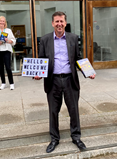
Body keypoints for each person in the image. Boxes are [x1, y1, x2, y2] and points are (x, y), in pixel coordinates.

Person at [34, 11, 95, 153]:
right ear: (52, 23)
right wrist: (38, 73)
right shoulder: (45, 40)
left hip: (70, 80)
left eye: (61, 21)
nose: (59, 24)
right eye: (57, 21)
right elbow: (41, 59)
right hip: (53, 80)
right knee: (53, 111)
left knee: (73, 110)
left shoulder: (73, 38)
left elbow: (78, 58)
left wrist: (88, 71)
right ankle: (54, 139)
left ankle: (76, 137)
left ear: (65, 23)